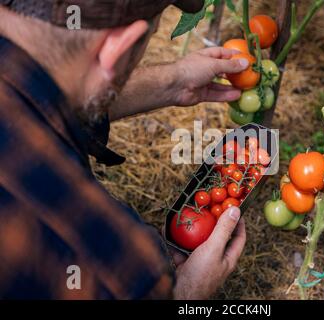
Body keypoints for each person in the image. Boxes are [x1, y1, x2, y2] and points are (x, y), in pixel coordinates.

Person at [0, 0, 248, 299]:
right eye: (151, 36)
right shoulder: (115, 271)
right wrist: (187, 292)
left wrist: (172, 82)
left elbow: (48, 90)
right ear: (118, 47)